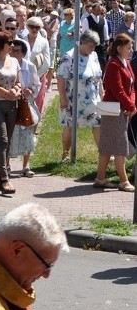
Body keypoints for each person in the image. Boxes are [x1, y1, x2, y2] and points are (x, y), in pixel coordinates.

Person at [94, 33, 136, 191]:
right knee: (119, 146)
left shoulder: (126, 62)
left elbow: (131, 86)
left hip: (123, 108)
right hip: (113, 111)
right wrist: (131, 106)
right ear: (119, 48)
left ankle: (100, 178)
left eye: (131, 47)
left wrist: (131, 104)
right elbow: (117, 90)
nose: (131, 50)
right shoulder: (113, 65)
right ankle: (124, 181)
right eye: (128, 47)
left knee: (108, 146)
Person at [57, 30, 103, 161]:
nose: (93, 48)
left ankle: (103, 154)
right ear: (82, 42)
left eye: (94, 46)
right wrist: (63, 99)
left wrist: (102, 92)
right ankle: (66, 154)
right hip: (74, 99)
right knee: (70, 126)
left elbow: (98, 76)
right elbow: (61, 78)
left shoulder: (93, 55)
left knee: (98, 124)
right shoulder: (69, 56)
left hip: (93, 99)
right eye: (91, 45)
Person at [0, 31, 22, 194]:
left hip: (12, 105)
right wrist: (9, 93)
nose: (13, 45)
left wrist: (16, 90)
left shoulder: (14, 61)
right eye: (10, 42)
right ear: (1, 44)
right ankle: (4, 178)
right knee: (2, 140)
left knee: (8, 141)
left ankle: (3, 172)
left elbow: (20, 82)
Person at [8, 39, 42, 179]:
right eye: (12, 50)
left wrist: (30, 90)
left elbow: (37, 84)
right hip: (10, 103)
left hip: (25, 105)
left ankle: (26, 165)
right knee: (9, 135)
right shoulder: (6, 65)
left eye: (17, 51)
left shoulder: (30, 66)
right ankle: (7, 165)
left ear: (23, 53)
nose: (14, 53)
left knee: (28, 134)